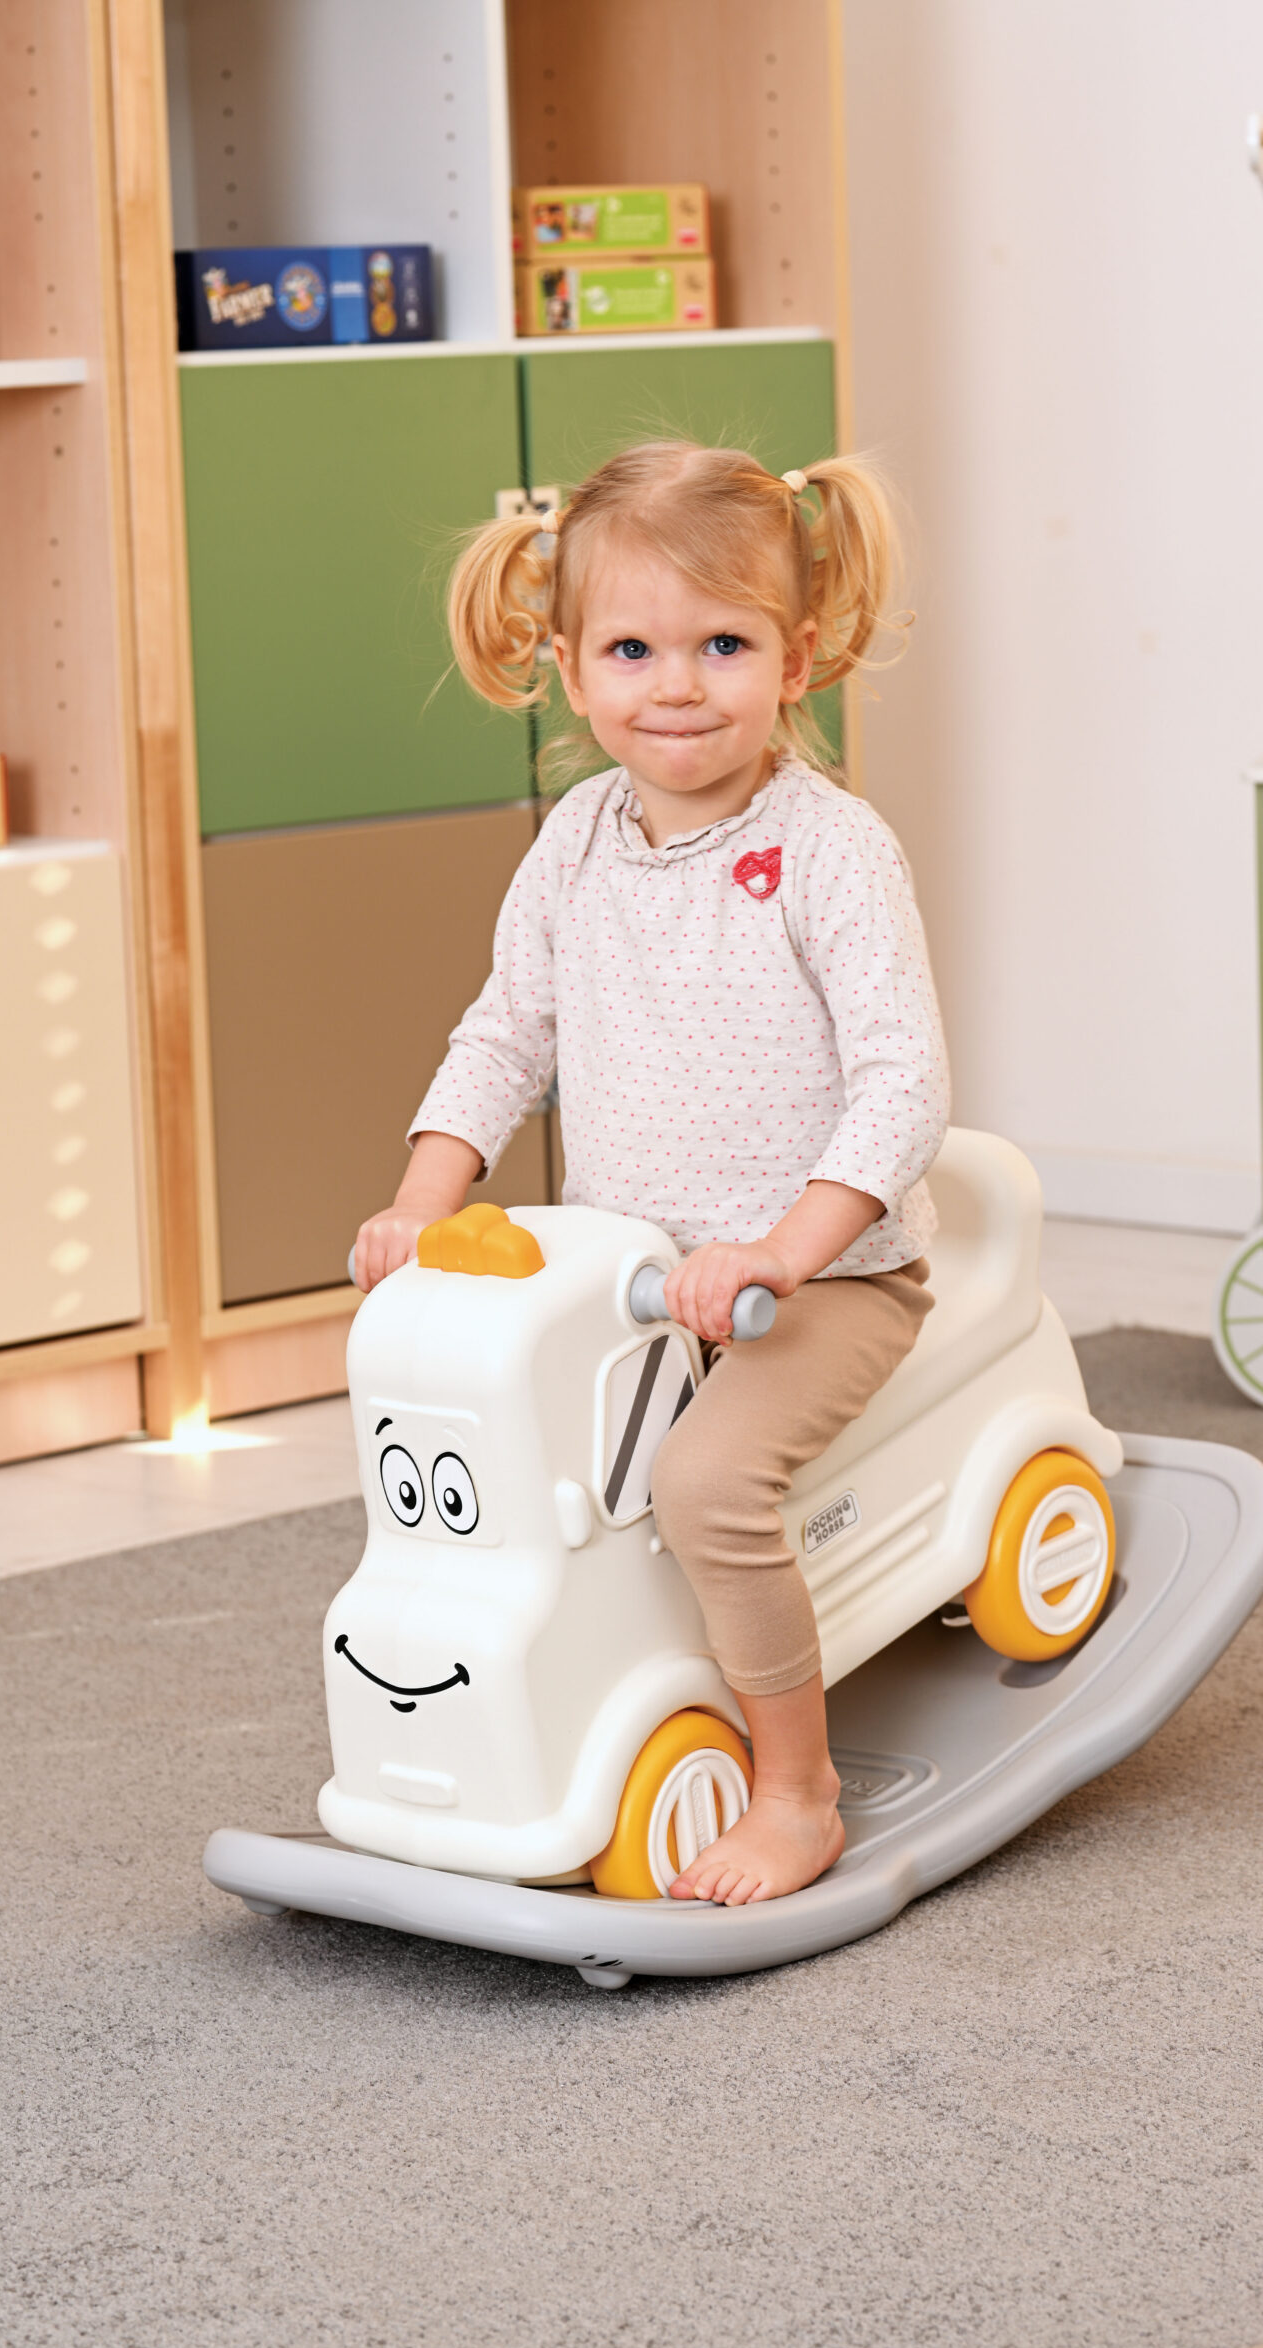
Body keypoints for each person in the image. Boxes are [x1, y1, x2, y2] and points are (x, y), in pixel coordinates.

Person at [352, 440, 950, 1903]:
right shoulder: (576, 844)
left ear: (796, 657)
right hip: (630, 1281)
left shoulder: (831, 849)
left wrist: (784, 1252)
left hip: (825, 1281)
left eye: (722, 645)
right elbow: (506, 1033)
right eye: (632, 649)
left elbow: (903, 1086)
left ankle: (797, 1790)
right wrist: (423, 1200)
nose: (677, 685)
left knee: (704, 1484)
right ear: (567, 667)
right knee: (515, 1470)